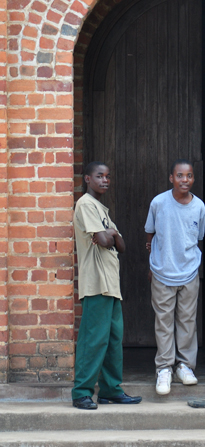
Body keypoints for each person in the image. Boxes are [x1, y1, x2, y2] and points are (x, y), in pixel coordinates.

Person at [72, 162, 142, 410]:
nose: (105, 180)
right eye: (99, 176)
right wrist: (109, 233)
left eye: (107, 176)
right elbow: (104, 240)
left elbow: (121, 246)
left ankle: (111, 390)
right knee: (93, 340)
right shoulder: (85, 204)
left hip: (111, 286)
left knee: (113, 340)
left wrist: (110, 233)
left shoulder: (102, 210)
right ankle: (81, 393)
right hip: (96, 283)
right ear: (87, 179)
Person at [145, 160, 205, 396]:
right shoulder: (159, 203)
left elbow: (198, 238)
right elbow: (150, 234)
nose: (184, 180)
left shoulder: (199, 206)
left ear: (193, 178)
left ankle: (185, 366)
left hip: (189, 272)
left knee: (187, 321)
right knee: (163, 322)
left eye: (189, 176)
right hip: (162, 272)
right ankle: (164, 368)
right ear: (171, 178)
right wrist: (153, 263)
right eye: (179, 175)